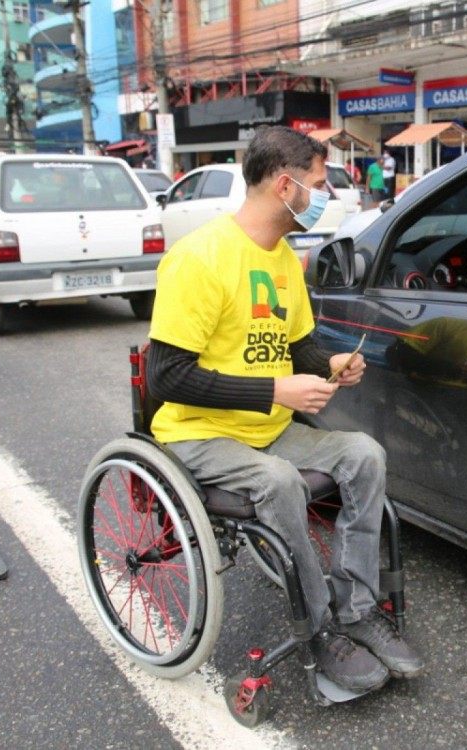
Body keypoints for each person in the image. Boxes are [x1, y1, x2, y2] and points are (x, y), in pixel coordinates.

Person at [146, 125, 423, 693]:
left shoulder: (281, 261)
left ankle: (357, 610)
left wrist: (331, 364)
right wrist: (277, 392)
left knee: (364, 454)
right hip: (197, 433)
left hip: (264, 428)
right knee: (277, 481)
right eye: (317, 184)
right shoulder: (199, 259)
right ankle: (319, 631)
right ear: (283, 184)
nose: (324, 196)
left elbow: (297, 347)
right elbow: (165, 376)